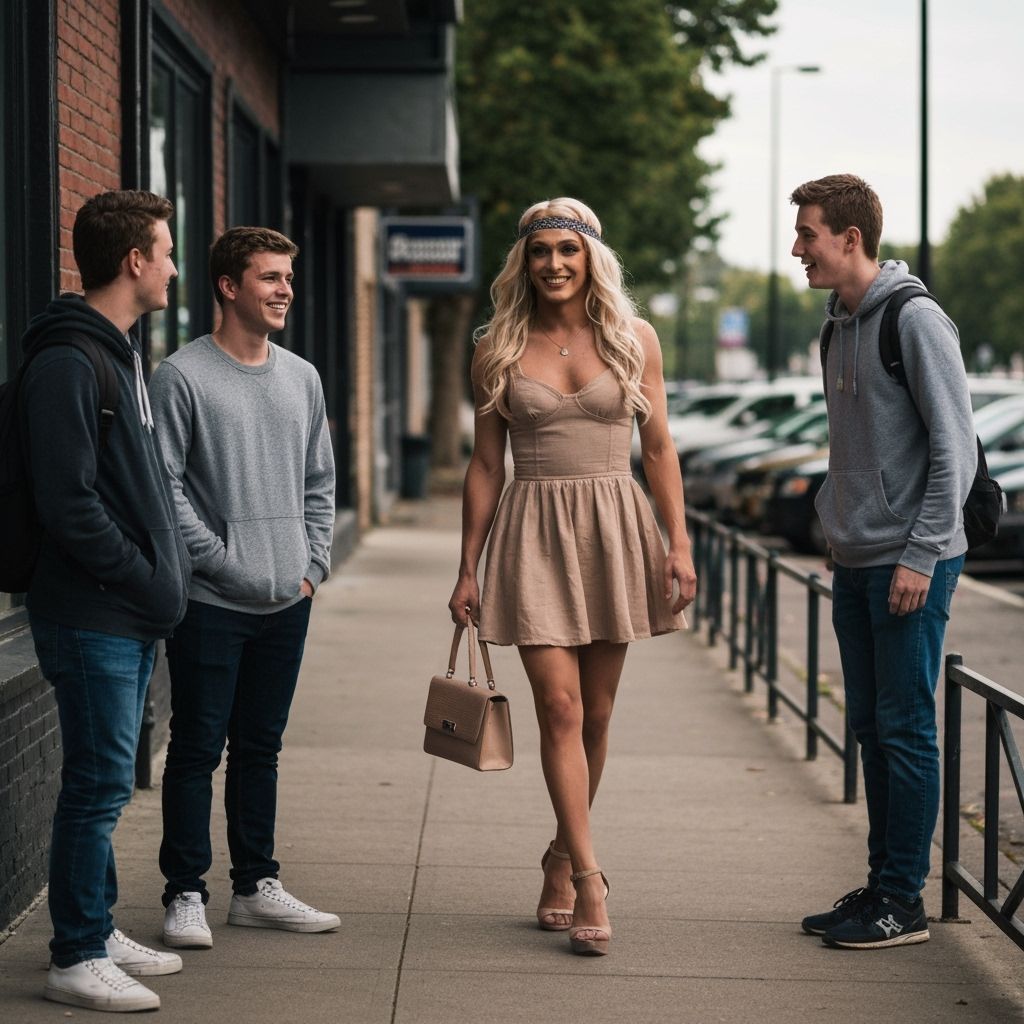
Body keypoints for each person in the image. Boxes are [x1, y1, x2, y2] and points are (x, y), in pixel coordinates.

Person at [448, 198, 696, 957]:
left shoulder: (633, 338)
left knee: (595, 716)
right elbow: (487, 462)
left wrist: (678, 545)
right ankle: (591, 876)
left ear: (591, 258)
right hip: (533, 535)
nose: (554, 263)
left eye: (568, 249)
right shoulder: (498, 344)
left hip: (616, 530)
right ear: (522, 262)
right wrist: (467, 565)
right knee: (556, 709)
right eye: (540, 251)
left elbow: (658, 450)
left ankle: (558, 854)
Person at [790, 174, 976, 949]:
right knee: (868, 725)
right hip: (859, 556)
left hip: (911, 561)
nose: (798, 249)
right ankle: (880, 886)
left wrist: (921, 555)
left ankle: (905, 900)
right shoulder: (837, 324)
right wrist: (838, 529)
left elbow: (955, 448)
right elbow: (852, 447)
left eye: (808, 234)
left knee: (904, 728)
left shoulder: (915, 319)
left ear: (850, 239)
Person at [20, 190, 190, 1011]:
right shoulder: (68, 360)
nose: (173, 266)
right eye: (166, 251)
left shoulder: (120, 352)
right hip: (91, 612)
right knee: (95, 783)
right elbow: (69, 502)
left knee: (107, 778)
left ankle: (96, 925)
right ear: (134, 261)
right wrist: (140, 573)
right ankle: (75, 953)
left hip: (123, 611)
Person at [148, 226, 337, 950]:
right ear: (229, 286)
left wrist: (311, 566)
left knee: (262, 747)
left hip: (288, 598)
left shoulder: (303, 376)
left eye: (288, 276)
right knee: (197, 747)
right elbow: (166, 493)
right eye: (269, 277)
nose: (285, 289)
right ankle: (184, 892)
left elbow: (320, 481)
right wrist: (224, 563)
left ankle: (255, 885)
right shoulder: (182, 376)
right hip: (211, 602)